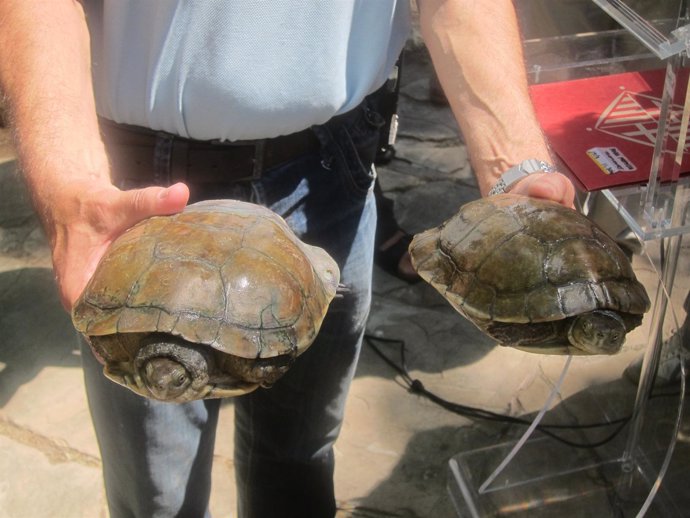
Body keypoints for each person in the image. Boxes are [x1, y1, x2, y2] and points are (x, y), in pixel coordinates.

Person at [0, 1, 575, 517]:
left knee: (299, 462)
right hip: (146, 201)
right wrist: (66, 184)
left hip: (330, 173)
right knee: (157, 497)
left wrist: (516, 172)